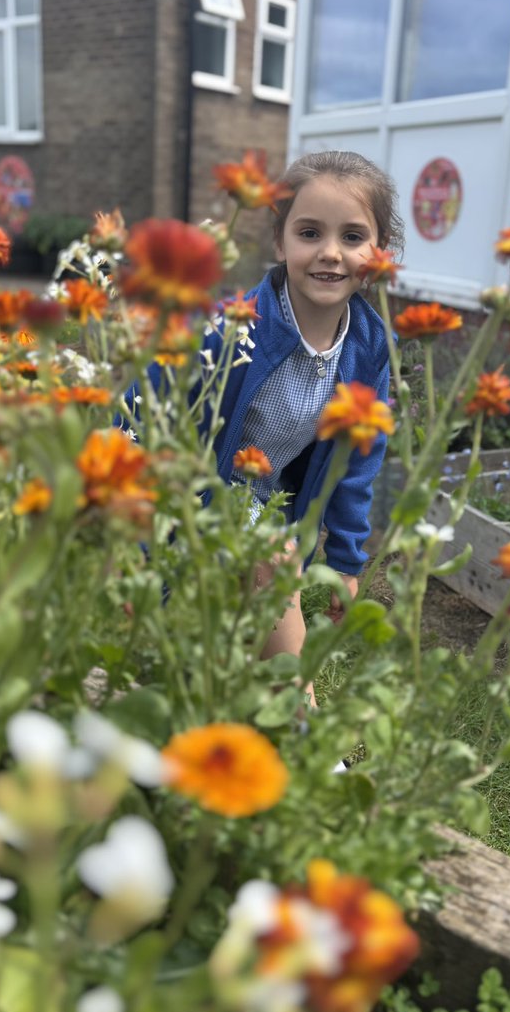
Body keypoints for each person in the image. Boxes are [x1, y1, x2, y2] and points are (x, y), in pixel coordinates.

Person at [143, 150, 404, 679]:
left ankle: (262, 697)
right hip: (187, 496)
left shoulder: (371, 347)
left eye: (352, 237)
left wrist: (348, 562)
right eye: (310, 233)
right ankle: (307, 722)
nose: (330, 253)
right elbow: (145, 402)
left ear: (380, 254)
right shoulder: (231, 328)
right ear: (279, 240)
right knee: (270, 572)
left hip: (272, 503)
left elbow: (358, 462)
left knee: (257, 597)